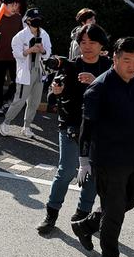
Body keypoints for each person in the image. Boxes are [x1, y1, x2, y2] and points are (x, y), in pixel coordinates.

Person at [73, 37, 134, 257]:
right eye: (126, 60)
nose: (132, 65)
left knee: (129, 201)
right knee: (114, 212)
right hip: (107, 159)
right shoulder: (99, 88)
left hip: (132, 156)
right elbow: (87, 126)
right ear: (114, 59)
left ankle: (87, 225)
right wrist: (83, 161)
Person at [37, 24, 111, 236]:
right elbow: (53, 99)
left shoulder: (108, 67)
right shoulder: (70, 66)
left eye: (92, 42)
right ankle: (51, 213)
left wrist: (95, 83)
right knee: (67, 171)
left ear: (101, 45)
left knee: (92, 173)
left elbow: (116, 96)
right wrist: (56, 91)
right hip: (71, 125)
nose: (87, 47)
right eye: (83, 42)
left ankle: (82, 215)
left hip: (98, 128)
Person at [1, 7, 51, 138]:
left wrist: (42, 50)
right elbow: (16, 54)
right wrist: (29, 50)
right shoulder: (20, 36)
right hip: (26, 70)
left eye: (39, 19)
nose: (37, 22)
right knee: (20, 100)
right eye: (34, 19)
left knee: (34, 101)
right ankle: (6, 122)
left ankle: (27, 126)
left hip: (39, 70)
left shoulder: (43, 34)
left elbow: (48, 53)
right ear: (28, 21)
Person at [0, 0, 23, 115]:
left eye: (16, 5)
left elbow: (21, 35)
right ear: (5, 5)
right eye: (12, 5)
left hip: (15, 55)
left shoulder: (18, 18)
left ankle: (6, 98)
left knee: (16, 81)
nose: (15, 8)